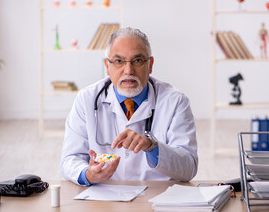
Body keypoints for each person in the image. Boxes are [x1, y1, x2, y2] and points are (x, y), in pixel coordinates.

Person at [60, 27, 198, 185]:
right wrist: (87, 174)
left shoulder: (175, 101)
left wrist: (152, 146)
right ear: (107, 66)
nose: (128, 70)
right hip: (105, 200)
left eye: (137, 61)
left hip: (157, 199)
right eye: (119, 61)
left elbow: (189, 166)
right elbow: (70, 159)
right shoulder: (87, 99)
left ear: (150, 64)